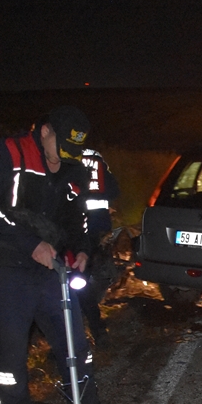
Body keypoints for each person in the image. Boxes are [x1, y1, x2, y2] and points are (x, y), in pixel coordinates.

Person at [0, 106, 120, 404]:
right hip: (7, 269)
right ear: (46, 131)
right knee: (11, 356)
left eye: (71, 154)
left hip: (52, 271)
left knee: (76, 349)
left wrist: (83, 250)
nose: (62, 161)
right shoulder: (8, 153)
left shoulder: (71, 167)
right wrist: (29, 243)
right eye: (61, 150)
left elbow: (77, 217)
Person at [76, 148, 121, 346]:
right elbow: (113, 190)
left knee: (79, 280)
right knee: (88, 277)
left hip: (76, 228)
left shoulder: (65, 156)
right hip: (98, 226)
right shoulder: (95, 157)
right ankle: (97, 329)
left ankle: (92, 328)